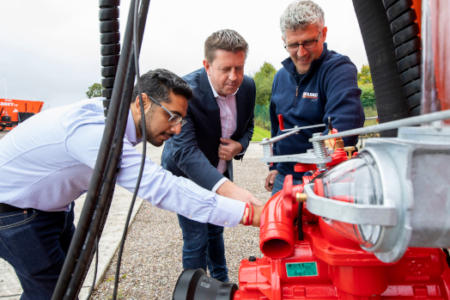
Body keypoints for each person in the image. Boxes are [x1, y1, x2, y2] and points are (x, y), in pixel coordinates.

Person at [0, 68, 261, 300]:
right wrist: (248, 213)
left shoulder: (115, 120)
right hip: (14, 212)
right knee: (52, 292)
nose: (178, 129)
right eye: (172, 116)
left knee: (65, 284)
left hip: (50, 208)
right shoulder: (97, 131)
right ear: (142, 102)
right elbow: (161, 187)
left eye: (181, 119)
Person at [161, 29, 258, 282]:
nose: (234, 77)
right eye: (226, 69)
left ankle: (221, 283)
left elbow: (249, 126)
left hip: (220, 170)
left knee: (216, 231)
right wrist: (227, 189)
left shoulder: (248, 86)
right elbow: (184, 151)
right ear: (207, 65)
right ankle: (195, 291)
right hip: (187, 174)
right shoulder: (183, 92)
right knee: (196, 238)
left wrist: (239, 145)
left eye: (239, 68)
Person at [265, 0, 365, 194]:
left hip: (324, 178)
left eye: (309, 42)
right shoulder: (280, 77)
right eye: (293, 44)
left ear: (323, 33)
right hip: (284, 177)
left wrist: (317, 172)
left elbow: (344, 127)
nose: (301, 53)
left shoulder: (338, 70)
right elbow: (277, 126)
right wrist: (274, 166)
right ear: (283, 40)